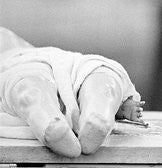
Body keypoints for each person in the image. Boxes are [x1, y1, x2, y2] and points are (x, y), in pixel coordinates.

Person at [0, 28, 142, 157]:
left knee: (29, 90)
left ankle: (51, 125)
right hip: (62, 61)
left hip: (22, 64)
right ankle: (100, 113)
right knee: (98, 74)